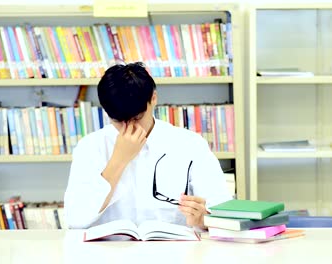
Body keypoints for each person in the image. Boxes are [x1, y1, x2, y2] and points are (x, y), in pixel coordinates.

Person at [64, 62, 232, 230]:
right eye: (118, 121)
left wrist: (203, 219)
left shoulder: (190, 145)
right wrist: (119, 160)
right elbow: (76, 219)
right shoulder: (90, 147)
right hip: (111, 252)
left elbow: (224, 214)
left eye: (137, 118)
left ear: (153, 98)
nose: (130, 128)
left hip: (174, 252)